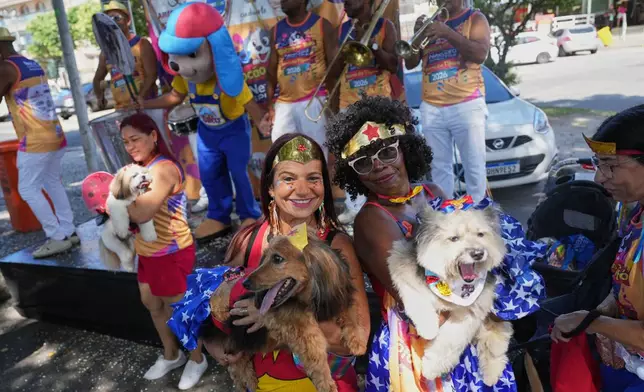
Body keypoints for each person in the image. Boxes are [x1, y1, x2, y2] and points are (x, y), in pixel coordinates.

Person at [326, 96, 546, 391]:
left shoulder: (431, 192)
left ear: (405, 148)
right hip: (419, 343)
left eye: (387, 152)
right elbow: (419, 293)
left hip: (466, 324)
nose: (379, 166)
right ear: (354, 174)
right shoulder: (372, 220)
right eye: (364, 162)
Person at [169, 133, 371, 391]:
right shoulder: (248, 238)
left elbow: (357, 339)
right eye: (288, 178)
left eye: (313, 178)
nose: (302, 189)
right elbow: (218, 304)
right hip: (264, 382)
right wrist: (214, 343)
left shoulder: (335, 244)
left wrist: (274, 317)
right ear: (270, 188)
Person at [141, 3, 269, 241]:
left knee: (239, 173)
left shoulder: (227, 79)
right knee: (210, 174)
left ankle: (249, 215)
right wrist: (144, 104)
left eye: (191, 55)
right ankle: (219, 216)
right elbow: (174, 97)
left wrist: (261, 121)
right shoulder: (186, 79)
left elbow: (249, 102)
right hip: (207, 133)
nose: (180, 65)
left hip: (233, 131)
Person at [551, 105, 644, 392]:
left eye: (611, 165)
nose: (598, 178)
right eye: (598, 164)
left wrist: (591, 321)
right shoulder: (635, 213)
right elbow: (624, 285)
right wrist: (602, 310)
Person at [118, 112, 207, 390]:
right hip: (147, 252)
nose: (131, 146)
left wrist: (115, 201)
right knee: (152, 305)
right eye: (125, 142)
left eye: (136, 139)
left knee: (178, 309)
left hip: (172, 251)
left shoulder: (163, 169)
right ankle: (172, 355)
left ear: (153, 136)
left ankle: (197, 358)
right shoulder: (135, 168)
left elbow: (142, 212)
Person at [0, 27, 78, 258]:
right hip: (54, 133)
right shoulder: (30, 63)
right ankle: (69, 230)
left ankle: (56, 237)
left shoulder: (6, 68)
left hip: (35, 139)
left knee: (28, 187)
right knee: (52, 182)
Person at [403, 0, 491, 203]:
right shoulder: (429, 24)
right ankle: (445, 216)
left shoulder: (475, 18)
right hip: (432, 106)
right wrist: (416, 39)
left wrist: (447, 33)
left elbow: (480, 54)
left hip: (466, 103)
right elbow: (410, 63)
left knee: (474, 167)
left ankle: (479, 217)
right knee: (439, 168)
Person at [335, 0, 399, 224]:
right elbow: (334, 69)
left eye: (350, 1)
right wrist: (343, 51)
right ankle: (355, 207)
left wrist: (372, 46)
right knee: (351, 157)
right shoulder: (343, 30)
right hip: (349, 100)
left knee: (383, 154)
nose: (346, 5)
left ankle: (388, 204)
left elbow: (393, 65)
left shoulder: (385, 26)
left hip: (378, 102)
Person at [266, 0, 340, 155]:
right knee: (284, 158)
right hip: (284, 106)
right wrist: (270, 107)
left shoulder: (322, 25)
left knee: (316, 157)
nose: (282, 1)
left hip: (314, 103)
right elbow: (271, 73)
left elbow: (334, 69)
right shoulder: (275, 31)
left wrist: (333, 105)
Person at [93, 1, 161, 127]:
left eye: (117, 18)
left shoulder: (141, 44)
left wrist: (140, 97)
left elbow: (152, 75)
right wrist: (100, 97)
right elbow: (97, 79)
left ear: (128, 21)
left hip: (145, 107)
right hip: (122, 111)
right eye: (109, 19)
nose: (113, 22)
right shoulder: (106, 52)